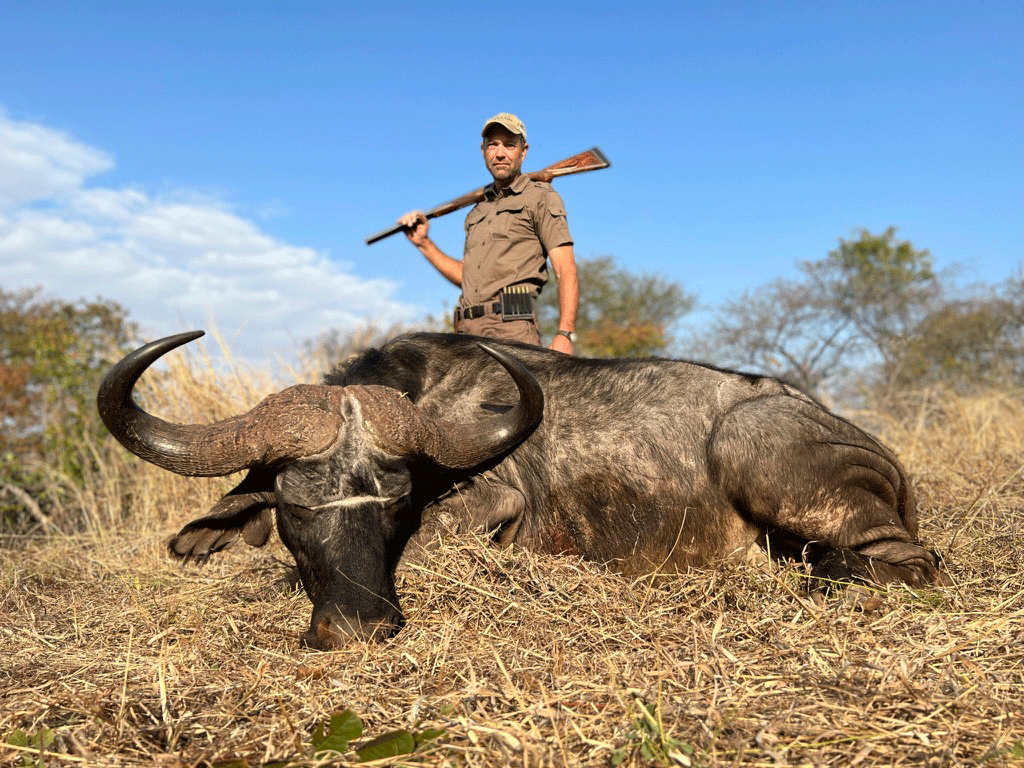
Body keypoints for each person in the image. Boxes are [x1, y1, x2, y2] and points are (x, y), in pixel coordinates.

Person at [398, 113, 579, 354]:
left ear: (523, 151)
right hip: (465, 333)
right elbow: (467, 277)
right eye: (493, 144)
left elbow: (565, 269)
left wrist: (565, 334)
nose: (500, 153)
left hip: (512, 328)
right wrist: (424, 244)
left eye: (509, 144)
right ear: (483, 150)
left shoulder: (541, 197)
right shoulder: (476, 213)